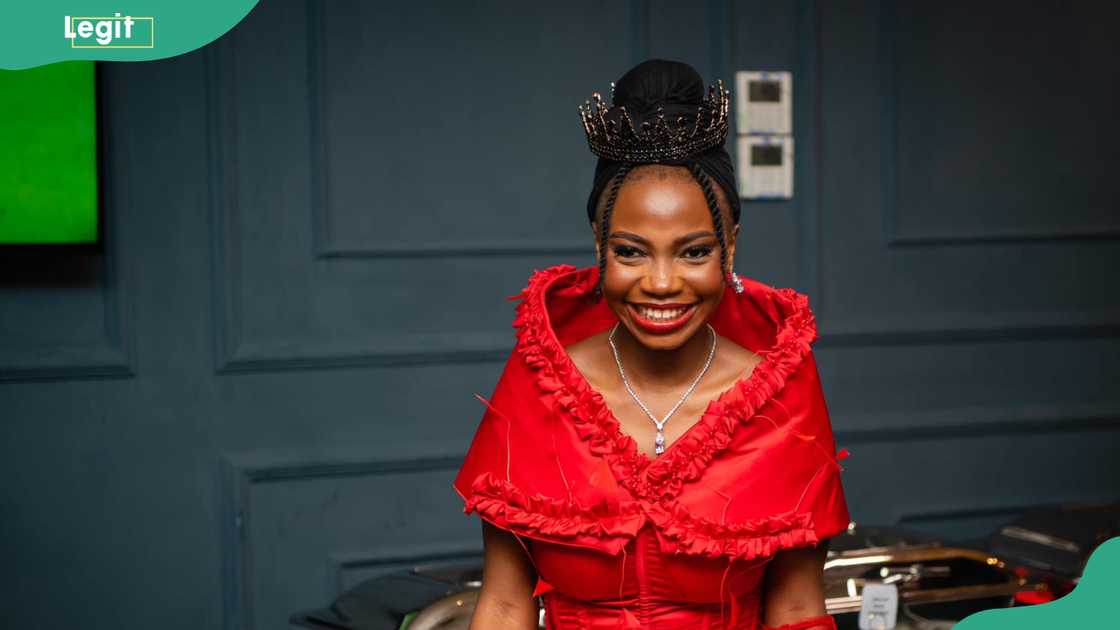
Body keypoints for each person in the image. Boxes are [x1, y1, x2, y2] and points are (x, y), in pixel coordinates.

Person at [453, 59, 851, 630]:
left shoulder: (778, 394)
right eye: (631, 252)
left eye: (693, 252)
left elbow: (796, 611)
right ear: (599, 246)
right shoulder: (541, 380)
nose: (661, 283)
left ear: (730, 249)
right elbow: (506, 604)